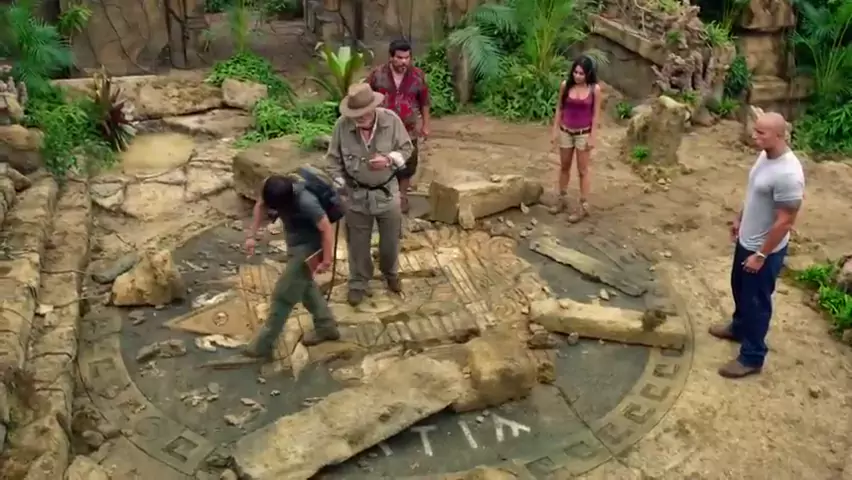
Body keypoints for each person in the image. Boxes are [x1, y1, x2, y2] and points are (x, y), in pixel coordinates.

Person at [710, 112, 804, 378]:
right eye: (755, 130)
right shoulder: (766, 155)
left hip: (764, 250)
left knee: (756, 303)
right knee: (739, 288)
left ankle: (752, 356)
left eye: (761, 132)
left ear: (780, 135)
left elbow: (785, 222)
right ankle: (739, 328)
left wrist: (761, 254)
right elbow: (754, 192)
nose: (754, 135)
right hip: (747, 239)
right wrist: (740, 218)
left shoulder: (789, 174)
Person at [327, 83, 414, 306]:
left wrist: (389, 159)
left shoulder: (391, 121)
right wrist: (340, 186)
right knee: (357, 244)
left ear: (373, 108)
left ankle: (390, 273)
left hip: (387, 193)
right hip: (356, 195)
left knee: (390, 241)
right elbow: (333, 161)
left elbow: (407, 148)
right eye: (355, 114)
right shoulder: (342, 126)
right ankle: (358, 282)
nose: (359, 118)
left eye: (363, 113)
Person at [242, 172, 341, 357]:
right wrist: (251, 236)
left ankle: (262, 345)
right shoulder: (270, 185)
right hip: (294, 243)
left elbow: (326, 229)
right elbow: (261, 205)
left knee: (284, 295)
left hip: (309, 248)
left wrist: (327, 259)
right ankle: (326, 326)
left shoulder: (307, 202)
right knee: (305, 287)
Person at [366, 38, 431, 214]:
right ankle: (384, 195)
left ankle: (402, 196)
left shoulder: (417, 76)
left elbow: (424, 101)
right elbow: (366, 98)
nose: (404, 62)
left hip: (408, 129)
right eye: (400, 58)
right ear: (391, 57)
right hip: (382, 128)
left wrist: (426, 124)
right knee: (383, 161)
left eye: (407, 58)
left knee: (407, 163)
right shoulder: (377, 75)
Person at [550, 55, 603, 223]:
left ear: (588, 74)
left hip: (583, 133)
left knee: (582, 170)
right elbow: (559, 108)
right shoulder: (566, 86)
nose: (577, 76)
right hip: (566, 131)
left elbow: (595, 115)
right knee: (564, 166)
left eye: (581, 73)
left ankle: (583, 205)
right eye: (575, 72)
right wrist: (555, 130)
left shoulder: (594, 90)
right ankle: (562, 198)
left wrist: (593, 136)